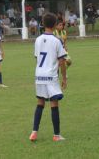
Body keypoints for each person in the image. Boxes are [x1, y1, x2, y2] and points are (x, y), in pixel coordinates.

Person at [29, 13, 67, 142]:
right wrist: (64, 78)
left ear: (43, 24)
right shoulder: (57, 41)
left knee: (40, 103)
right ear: (56, 25)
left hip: (39, 75)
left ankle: (34, 132)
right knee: (54, 103)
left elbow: (37, 58)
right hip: (51, 75)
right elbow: (62, 61)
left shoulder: (38, 39)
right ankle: (56, 135)